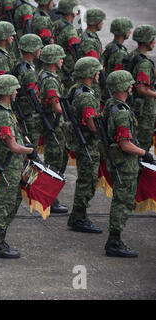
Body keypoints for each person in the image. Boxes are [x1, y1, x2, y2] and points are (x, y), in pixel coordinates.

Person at [103, 70, 155, 257]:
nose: (132, 86)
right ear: (123, 87)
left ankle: (115, 240)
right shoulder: (122, 114)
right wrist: (144, 154)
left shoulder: (111, 105)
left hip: (120, 162)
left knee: (121, 200)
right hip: (125, 164)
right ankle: (114, 242)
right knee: (122, 202)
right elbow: (124, 144)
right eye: (129, 84)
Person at [0, 74, 36, 259]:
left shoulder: (1, 110)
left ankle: (1, 239)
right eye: (14, 89)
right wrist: (29, 151)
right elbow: (13, 146)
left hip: (12, 164)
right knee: (4, 203)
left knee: (13, 200)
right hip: (9, 165)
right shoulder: (3, 116)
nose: (16, 92)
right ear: (8, 92)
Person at [66, 57, 103, 233]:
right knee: (87, 181)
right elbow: (92, 126)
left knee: (86, 180)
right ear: (89, 73)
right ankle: (79, 217)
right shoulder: (87, 97)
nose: (98, 74)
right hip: (88, 144)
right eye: (96, 71)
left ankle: (78, 215)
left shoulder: (76, 89)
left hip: (82, 143)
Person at [38, 44, 69, 214]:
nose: (62, 60)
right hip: (55, 125)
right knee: (54, 162)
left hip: (55, 124)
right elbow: (56, 107)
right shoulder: (50, 79)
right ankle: (50, 198)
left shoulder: (48, 76)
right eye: (60, 57)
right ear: (52, 60)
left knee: (58, 161)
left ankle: (51, 196)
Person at [11, 34, 42, 147]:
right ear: (31, 50)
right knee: (31, 144)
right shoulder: (28, 71)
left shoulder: (20, 64)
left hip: (22, 110)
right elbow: (32, 93)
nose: (40, 49)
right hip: (28, 112)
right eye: (37, 47)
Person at [128, 24, 156, 152]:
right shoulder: (144, 63)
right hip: (143, 111)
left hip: (134, 105)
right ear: (147, 41)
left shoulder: (133, 55)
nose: (154, 41)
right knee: (143, 143)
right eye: (153, 39)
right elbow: (142, 89)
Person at [53, 0, 81, 93]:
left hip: (56, 65)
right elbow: (76, 51)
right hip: (68, 70)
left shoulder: (56, 24)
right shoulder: (70, 30)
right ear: (72, 12)